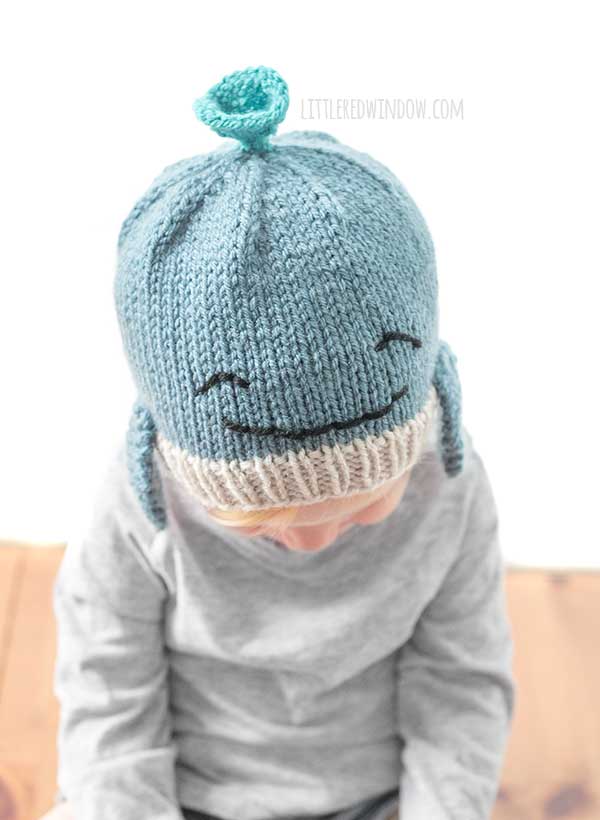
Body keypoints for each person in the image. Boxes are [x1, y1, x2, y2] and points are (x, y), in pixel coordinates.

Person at [45, 66, 515, 820]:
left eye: (364, 508)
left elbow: (461, 683)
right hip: (184, 796)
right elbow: (107, 692)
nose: (313, 543)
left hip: (378, 799)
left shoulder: (449, 483)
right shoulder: (141, 504)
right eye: (263, 523)